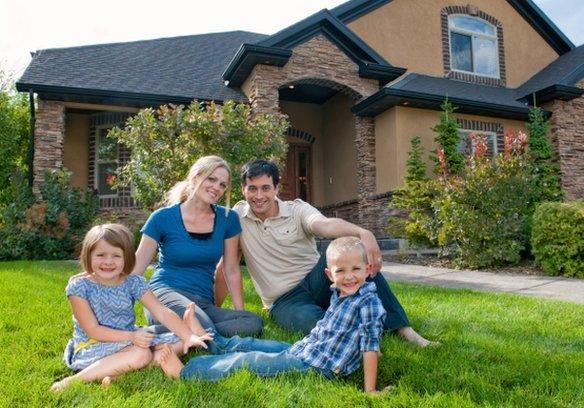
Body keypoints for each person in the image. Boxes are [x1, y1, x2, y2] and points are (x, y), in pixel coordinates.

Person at [217, 159, 433, 347]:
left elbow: (325, 225)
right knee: (315, 325)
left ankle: (404, 329)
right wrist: (225, 312)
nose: (259, 195)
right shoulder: (236, 218)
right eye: (252, 189)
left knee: (358, 258)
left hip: (320, 279)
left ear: (276, 189)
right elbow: (228, 267)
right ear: (243, 190)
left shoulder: (297, 209)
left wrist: (361, 232)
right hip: (284, 301)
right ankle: (354, 331)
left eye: (265, 188)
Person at [159, 237, 386, 394]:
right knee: (251, 344)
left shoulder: (368, 304)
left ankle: (187, 372)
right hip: (309, 349)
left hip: (320, 366)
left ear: (368, 270)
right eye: (341, 271)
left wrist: (370, 390)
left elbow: (370, 346)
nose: (349, 277)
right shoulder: (341, 292)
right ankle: (214, 341)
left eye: (356, 269)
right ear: (329, 274)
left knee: (250, 361)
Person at [51, 224, 212, 391]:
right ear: (88, 256)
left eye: (116, 256)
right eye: (100, 255)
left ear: (127, 257)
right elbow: (93, 330)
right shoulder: (79, 287)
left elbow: (161, 312)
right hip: (94, 344)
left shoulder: (132, 282)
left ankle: (118, 376)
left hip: (129, 340)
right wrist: (131, 336)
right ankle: (75, 380)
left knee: (181, 341)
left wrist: (187, 336)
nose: (108, 262)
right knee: (143, 353)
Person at [133, 155, 262, 338]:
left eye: (222, 184)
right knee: (201, 324)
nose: (217, 187)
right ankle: (191, 332)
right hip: (164, 295)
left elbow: (231, 269)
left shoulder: (228, 219)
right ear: (195, 177)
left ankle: (160, 334)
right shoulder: (162, 218)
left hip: (203, 302)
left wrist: (239, 313)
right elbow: (136, 270)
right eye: (212, 179)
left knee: (252, 322)